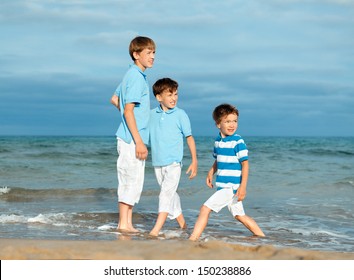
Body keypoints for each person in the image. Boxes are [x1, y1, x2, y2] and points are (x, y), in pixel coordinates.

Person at [189, 103, 265, 241]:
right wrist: (211, 172)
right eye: (227, 121)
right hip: (224, 185)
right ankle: (262, 237)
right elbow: (218, 160)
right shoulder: (218, 142)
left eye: (235, 121)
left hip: (231, 187)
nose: (232, 125)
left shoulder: (238, 141)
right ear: (218, 124)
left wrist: (242, 187)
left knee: (204, 209)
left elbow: (245, 164)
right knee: (239, 216)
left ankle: (192, 240)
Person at [110, 36, 156, 233]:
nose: (152, 57)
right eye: (148, 53)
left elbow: (114, 99)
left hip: (129, 136)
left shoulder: (132, 74)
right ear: (136, 55)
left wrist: (127, 114)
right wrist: (139, 141)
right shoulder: (136, 77)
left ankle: (127, 223)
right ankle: (123, 224)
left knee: (132, 180)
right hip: (132, 139)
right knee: (131, 180)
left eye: (154, 53)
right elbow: (128, 111)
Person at [149, 78, 198, 237]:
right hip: (157, 162)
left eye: (176, 94)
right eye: (169, 95)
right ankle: (183, 225)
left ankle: (156, 230)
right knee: (171, 194)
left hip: (174, 163)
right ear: (159, 97)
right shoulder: (152, 115)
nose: (174, 98)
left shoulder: (180, 114)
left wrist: (194, 161)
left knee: (165, 194)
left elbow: (189, 138)